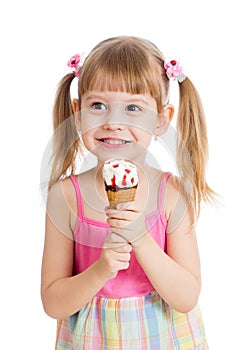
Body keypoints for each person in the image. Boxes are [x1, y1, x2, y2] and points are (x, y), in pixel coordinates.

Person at [41, 36, 215, 349]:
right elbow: (53, 304)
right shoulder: (65, 196)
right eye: (98, 106)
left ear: (162, 120)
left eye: (133, 107)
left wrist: (141, 238)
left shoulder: (172, 194)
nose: (113, 122)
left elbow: (186, 297)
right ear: (77, 113)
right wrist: (101, 270)